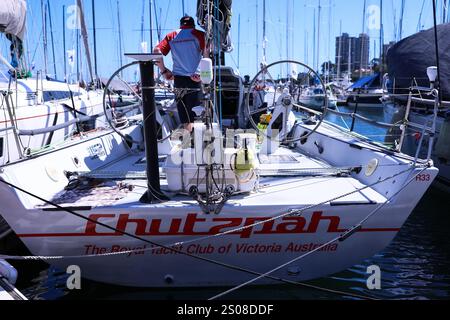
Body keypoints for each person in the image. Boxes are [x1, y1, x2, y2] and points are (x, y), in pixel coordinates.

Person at [153, 15, 208, 132]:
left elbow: (156, 50)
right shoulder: (199, 34)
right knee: (195, 114)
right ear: (193, 24)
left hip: (178, 80)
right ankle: (196, 143)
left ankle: (188, 142)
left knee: (185, 116)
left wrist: (163, 71)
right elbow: (206, 54)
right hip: (195, 79)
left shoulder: (171, 36)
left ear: (181, 25)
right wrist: (202, 74)